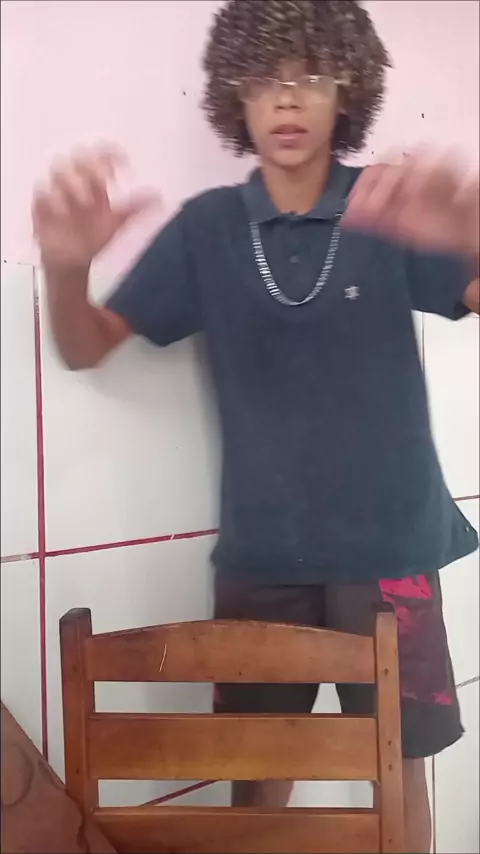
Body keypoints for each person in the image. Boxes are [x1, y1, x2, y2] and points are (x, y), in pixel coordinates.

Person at [32, 1, 479, 850]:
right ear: (234, 95)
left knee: (398, 777)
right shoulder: (206, 229)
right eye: (264, 78)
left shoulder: (385, 207)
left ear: (348, 90)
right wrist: (66, 269)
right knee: (253, 776)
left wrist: (474, 232)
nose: (287, 97)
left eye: (311, 76)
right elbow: (87, 347)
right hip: (261, 559)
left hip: (391, 553)